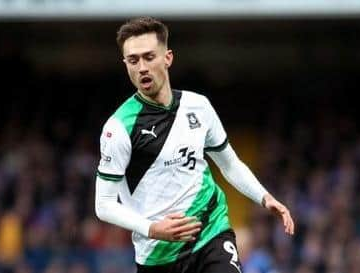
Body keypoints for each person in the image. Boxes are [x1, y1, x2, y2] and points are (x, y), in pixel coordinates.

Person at [95, 17, 294, 273]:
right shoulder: (118, 128)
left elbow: (229, 164)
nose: (142, 67)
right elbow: (104, 205)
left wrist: (265, 198)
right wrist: (152, 229)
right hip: (158, 253)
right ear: (126, 65)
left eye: (149, 57)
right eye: (133, 60)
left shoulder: (198, 107)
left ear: (167, 58)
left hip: (211, 231)